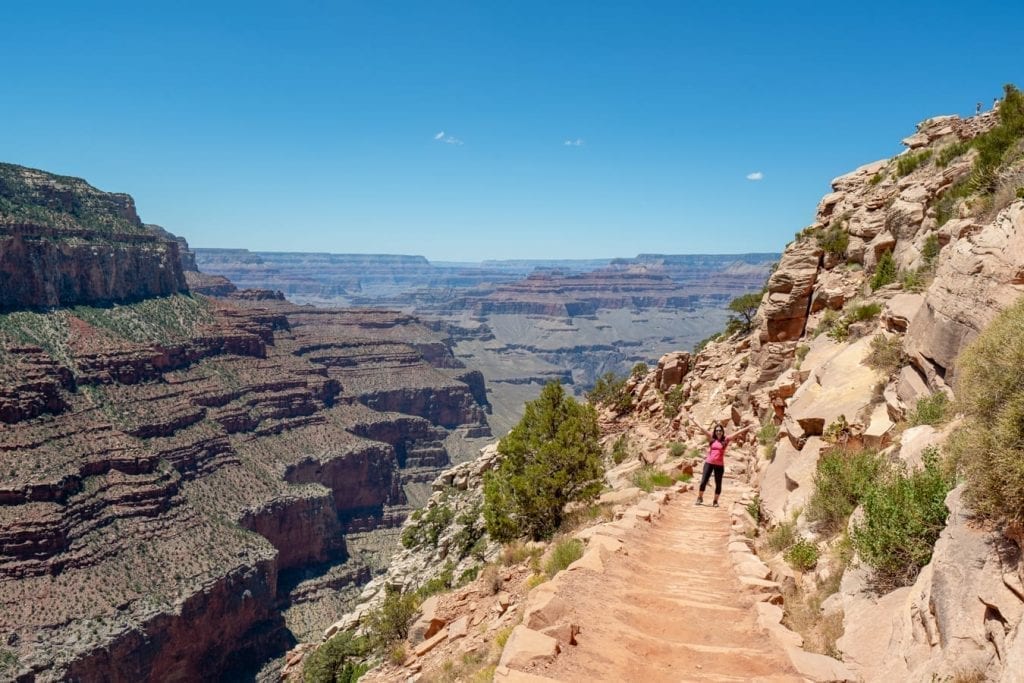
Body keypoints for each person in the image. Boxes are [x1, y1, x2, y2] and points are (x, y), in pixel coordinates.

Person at [686, 415, 752, 507]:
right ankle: (700, 498)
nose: (718, 432)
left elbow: (737, 433)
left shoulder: (726, 439)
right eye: (717, 431)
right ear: (715, 431)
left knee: (718, 483)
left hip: (719, 465)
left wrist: (748, 427)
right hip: (709, 463)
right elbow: (701, 428)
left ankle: (715, 501)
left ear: (722, 431)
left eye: (720, 430)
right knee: (703, 481)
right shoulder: (711, 438)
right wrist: (693, 420)